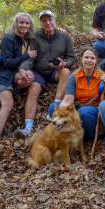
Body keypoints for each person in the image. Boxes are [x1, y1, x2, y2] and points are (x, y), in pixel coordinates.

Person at [15, 10, 75, 138]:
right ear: (40, 23)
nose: (48, 23)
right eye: (44, 21)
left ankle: (55, 108)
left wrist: (64, 63)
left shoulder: (64, 36)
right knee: (34, 89)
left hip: (55, 71)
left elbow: (71, 57)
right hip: (39, 72)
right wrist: (24, 69)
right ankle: (28, 127)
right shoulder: (35, 36)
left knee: (66, 71)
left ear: (54, 20)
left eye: (50, 19)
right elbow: (30, 57)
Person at [0, 13, 37, 150]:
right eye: (21, 22)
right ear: (16, 24)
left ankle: (14, 89)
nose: (24, 25)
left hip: (13, 76)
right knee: (8, 104)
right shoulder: (8, 39)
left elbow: (46, 30)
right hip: (4, 76)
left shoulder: (26, 38)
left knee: (30, 77)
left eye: (27, 23)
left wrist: (61, 30)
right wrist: (27, 55)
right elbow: (8, 63)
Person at [47, 47, 105, 140]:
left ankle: (90, 136)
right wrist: (61, 112)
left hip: (94, 109)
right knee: (53, 107)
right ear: (81, 59)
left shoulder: (103, 76)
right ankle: (67, 132)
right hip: (77, 106)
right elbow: (68, 100)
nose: (89, 60)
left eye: (92, 58)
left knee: (84, 112)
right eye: (86, 57)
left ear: (96, 61)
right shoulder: (74, 76)